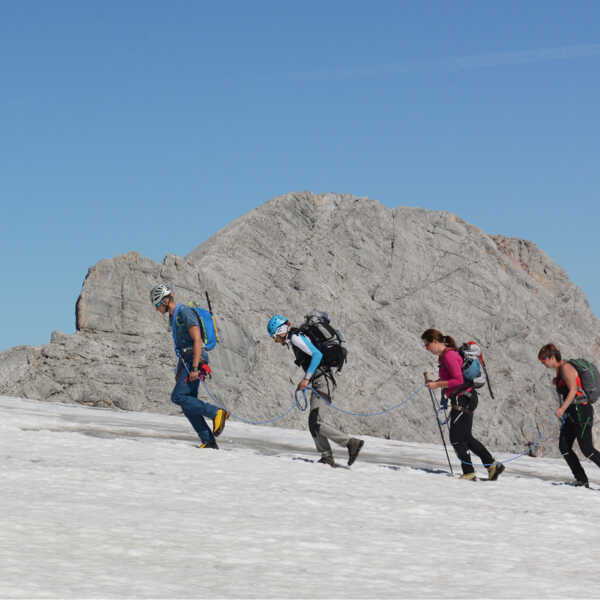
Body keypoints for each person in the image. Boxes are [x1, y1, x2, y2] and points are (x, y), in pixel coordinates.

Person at [267, 314, 364, 467]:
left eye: (275, 336)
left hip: (322, 380)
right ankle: (326, 456)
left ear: (280, 331)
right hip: (320, 380)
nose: (275, 340)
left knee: (316, 422)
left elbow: (317, 355)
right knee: (314, 421)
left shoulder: (295, 338)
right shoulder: (296, 337)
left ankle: (351, 443)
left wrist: (306, 378)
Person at [151, 283, 229, 449]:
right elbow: (181, 347)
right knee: (188, 404)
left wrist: (194, 368)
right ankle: (208, 441)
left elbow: (197, 340)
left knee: (177, 397)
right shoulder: (173, 318)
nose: (156, 309)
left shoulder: (184, 312)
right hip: (186, 361)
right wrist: (179, 370)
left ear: (165, 301)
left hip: (196, 360)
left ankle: (216, 412)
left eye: (157, 304)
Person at [422, 328, 504, 481]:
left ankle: (469, 472)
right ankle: (492, 465)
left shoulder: (449, 356)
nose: (427, 349)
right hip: (464, 397)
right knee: (466, 437)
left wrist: (437, 384)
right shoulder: (445, 357)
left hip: (463, 398)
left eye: (427, 345)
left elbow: (458, 380)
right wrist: (436, 383)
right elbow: (453, 380)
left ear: (434, 342)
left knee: (456, 438)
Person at [538, 343, 600, 487]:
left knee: (587, 449)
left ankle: (581, 480)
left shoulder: (566, 368)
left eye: (543, 360)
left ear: (552, 357)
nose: (543, 364)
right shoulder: (560, 371)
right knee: (564, 447)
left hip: (581, 411)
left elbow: (573, 391)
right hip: (573, 413)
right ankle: (581, 480)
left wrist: (561, 409)